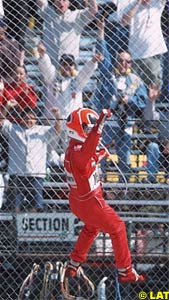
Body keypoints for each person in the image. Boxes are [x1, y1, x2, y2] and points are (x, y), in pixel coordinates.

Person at [63, 107, 145, 283]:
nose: (88, 132)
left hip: (78, 202)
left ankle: (74, 263)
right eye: (86, 128)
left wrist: (100, 153)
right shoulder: (79, 151)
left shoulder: (74, 149)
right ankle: (126, 271)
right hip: (91, 202)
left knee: (92, 227)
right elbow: (87, 152)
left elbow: (88, 159)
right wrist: (99, 123)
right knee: (118, 228)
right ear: (77, 128)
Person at [92, 19, 147, 181]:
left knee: (124, 157)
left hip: (126, 122)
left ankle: (125, 189)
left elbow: (141, 103)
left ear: (131, 63)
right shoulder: (110, 76)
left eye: (127, 61)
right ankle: (99, 185)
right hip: (108, 122)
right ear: (117, 62)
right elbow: (103, 59)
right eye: (121, 60)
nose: (123, 63)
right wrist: (100, 34)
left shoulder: (136, 80)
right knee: (99, 154)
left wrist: (129, 100)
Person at [38, 41, 103, 152]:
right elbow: (47, 68)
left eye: (70, 64)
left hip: (72, 125)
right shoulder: (53, 78)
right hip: (53, 123)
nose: (67, 66)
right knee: (48, 152)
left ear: (74, 66)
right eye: (64, 64)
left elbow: (85, 73)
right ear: (60, 66)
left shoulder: (77, 81)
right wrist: (43, 55)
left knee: (71, 153)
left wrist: (93, 61)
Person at [0, 106, 61, 213]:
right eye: (26, 117)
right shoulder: (14, 129)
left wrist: (57, 116)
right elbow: (1, 122)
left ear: (36, 120)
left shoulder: (42, 130)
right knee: (15, 205)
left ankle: (30, 227)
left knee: (35, 205)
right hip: (17, 174)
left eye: (32, 118)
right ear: (21, 118)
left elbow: (57, 130)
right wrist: (7, 107)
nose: (29, 120)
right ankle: (15, 227)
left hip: (36, 174)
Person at [117, 0, 168, 122]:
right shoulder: (127, 2)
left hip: (154, 52)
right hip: (134, 55)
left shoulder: (156, 3)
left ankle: (149, 119)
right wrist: (138, 2)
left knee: (154, 90)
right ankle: (131, 119)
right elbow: (124, 21)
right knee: (131, 89)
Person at [37, 0, 98, 67]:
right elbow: (40, 2)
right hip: (50, 63)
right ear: (53, 3)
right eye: (58, 0)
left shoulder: (78, 15)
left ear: (69, 2)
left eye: (64, 0)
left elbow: (94, 11)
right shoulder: (49, 12)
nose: (61, 3)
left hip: (70, 64)